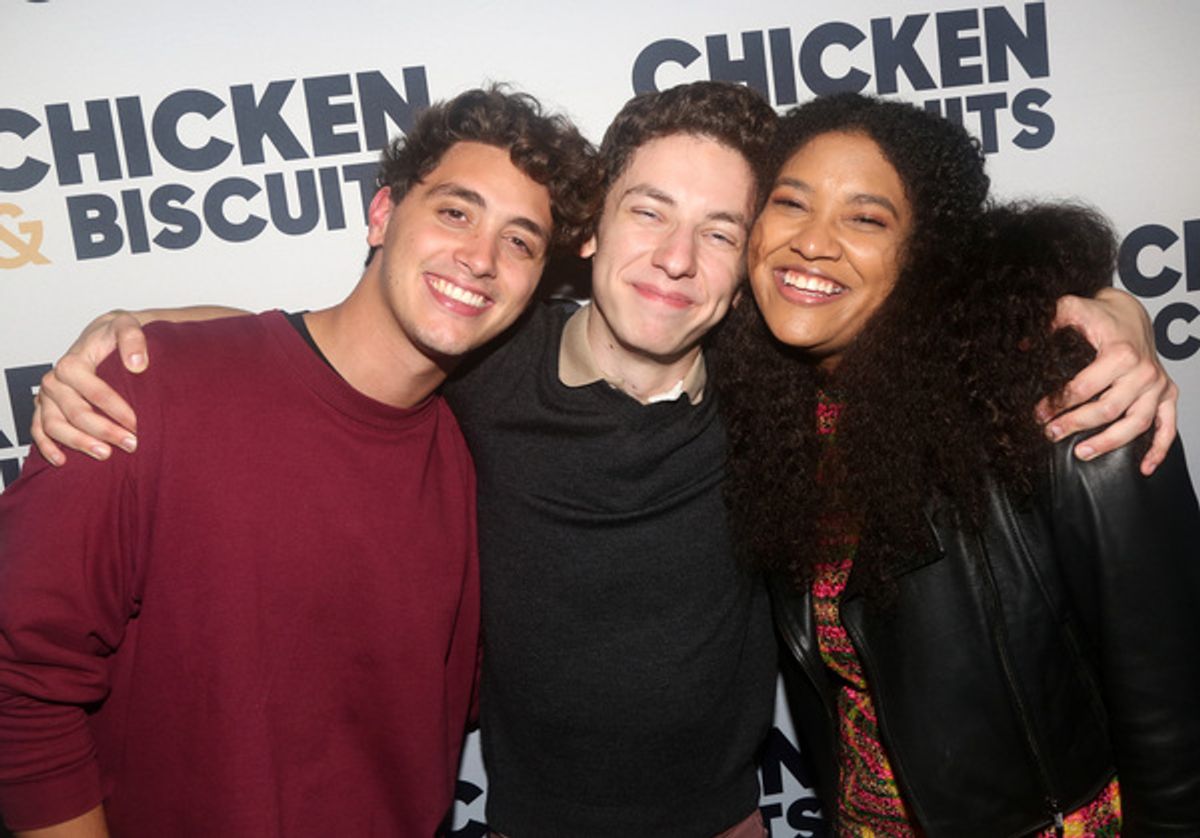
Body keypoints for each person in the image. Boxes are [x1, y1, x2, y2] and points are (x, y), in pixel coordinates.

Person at [23, 84, 1180, 838]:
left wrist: (1105, 309)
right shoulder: (484, 362)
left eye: (721, 231)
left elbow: (950, 317)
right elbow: (344, 344)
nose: (676, 261)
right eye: (648, 213)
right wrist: (136, 328)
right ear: (589, 230)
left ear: (746, 264)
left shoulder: (767, 392)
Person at [0, 86, 597, 837]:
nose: (479, 257)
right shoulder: (149, 388)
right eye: (455, 211)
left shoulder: (478, 455)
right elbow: (20, 678)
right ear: (382, 215)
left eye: (519, 241)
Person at [715, 92, 1200, 836]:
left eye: (866, 218)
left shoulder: (1066, 399)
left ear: (925, 253)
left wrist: (1119, 312)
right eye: (791, 204)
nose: (813, 242)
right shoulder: (772, 415)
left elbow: (1176, 703)